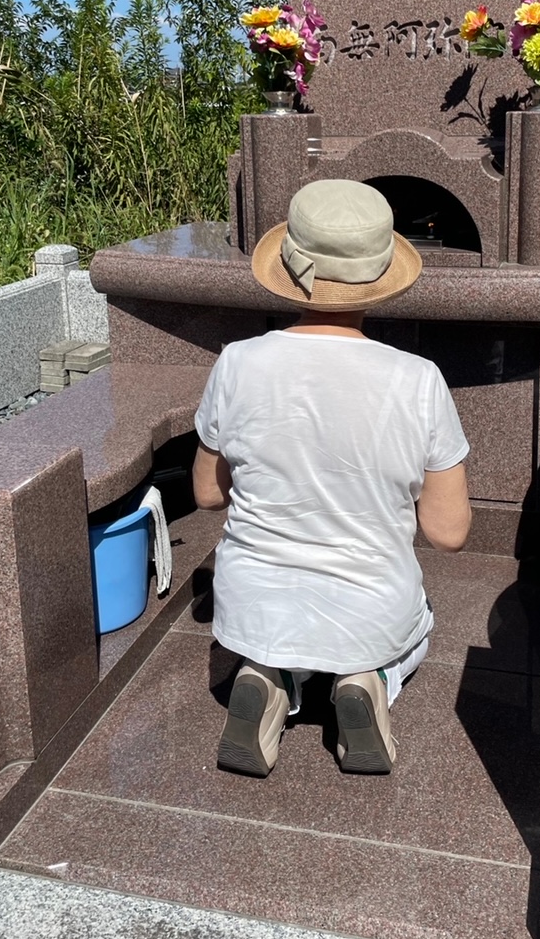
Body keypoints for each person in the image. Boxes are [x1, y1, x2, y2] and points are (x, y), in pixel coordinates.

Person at [192, 179, 471, 777]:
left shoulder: (237, 361)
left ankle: (265, 678)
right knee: (410, 624)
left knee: (277, 637)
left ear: (291, 270)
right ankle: (368, 678)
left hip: (251, 606)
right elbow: (449, 532)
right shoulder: (419, 379)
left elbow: (207, 493)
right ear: (378, 276)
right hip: (370, 603)